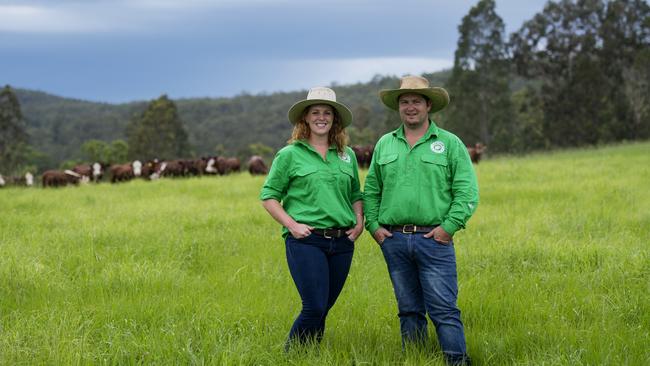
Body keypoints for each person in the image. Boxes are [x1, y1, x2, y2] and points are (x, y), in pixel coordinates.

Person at [363, 75, 478, 365]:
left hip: (434, 240)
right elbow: (372, 190)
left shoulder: (450, 143)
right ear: (398, 107)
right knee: (408, 309)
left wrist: (448, 228)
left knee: (444, 309)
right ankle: (415, 359)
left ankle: (457, 361)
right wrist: (374, 228)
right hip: (395, 240)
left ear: (428, 105)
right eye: (405, 102)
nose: (410, 107)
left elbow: (466, 191)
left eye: (416, 101)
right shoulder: (384, 145)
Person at [260, 86, 364, 348]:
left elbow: (355, 193)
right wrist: (292, 225)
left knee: (324, 307)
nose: (321, 117)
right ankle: (289, 355)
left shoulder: (346, 155)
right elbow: (269, 196)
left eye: (327, 112)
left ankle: (311, 354)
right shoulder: (289, 155)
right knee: (314, 306)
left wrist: (359, 221)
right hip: (307, 241)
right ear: (305, 118)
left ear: (334, 118)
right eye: (315, 112)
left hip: (342, 243)